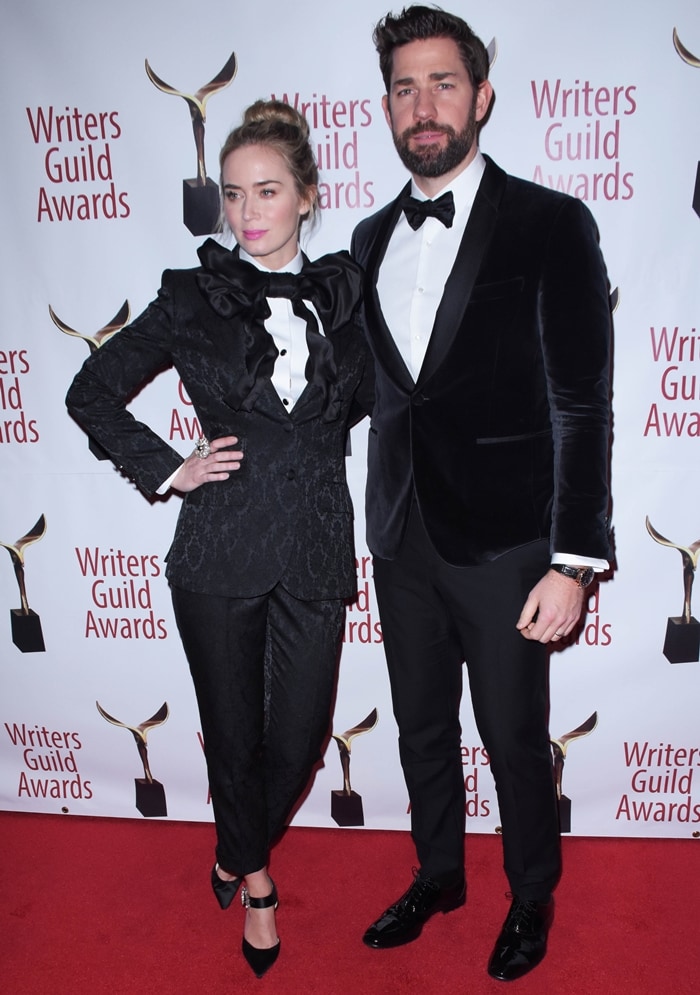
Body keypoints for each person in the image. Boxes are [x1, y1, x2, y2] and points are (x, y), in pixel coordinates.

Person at [67, 100, 372, 979]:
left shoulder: (348, 296)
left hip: (315, 545)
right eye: (234, 193)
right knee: (232, 734)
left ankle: (233, 843)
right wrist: (171, 467)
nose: (247, 211)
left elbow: (383, 405)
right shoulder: (188, 295)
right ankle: (261, 884)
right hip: (217, 552)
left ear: (308, 195)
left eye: (268, 190)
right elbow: (91, 390)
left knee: (305, 735)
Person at [351, 6, 612, 982]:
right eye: (406, 87)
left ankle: (531, 890)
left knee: (510, 734)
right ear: (386, 106)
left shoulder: (550, 222)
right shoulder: (370, 235)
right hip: (401, 531)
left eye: (443, 83)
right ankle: (438, 872)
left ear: (482, 97)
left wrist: (573, 560)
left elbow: (580, 402)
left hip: (507, 541)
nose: (424, 105)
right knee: (421, 725)